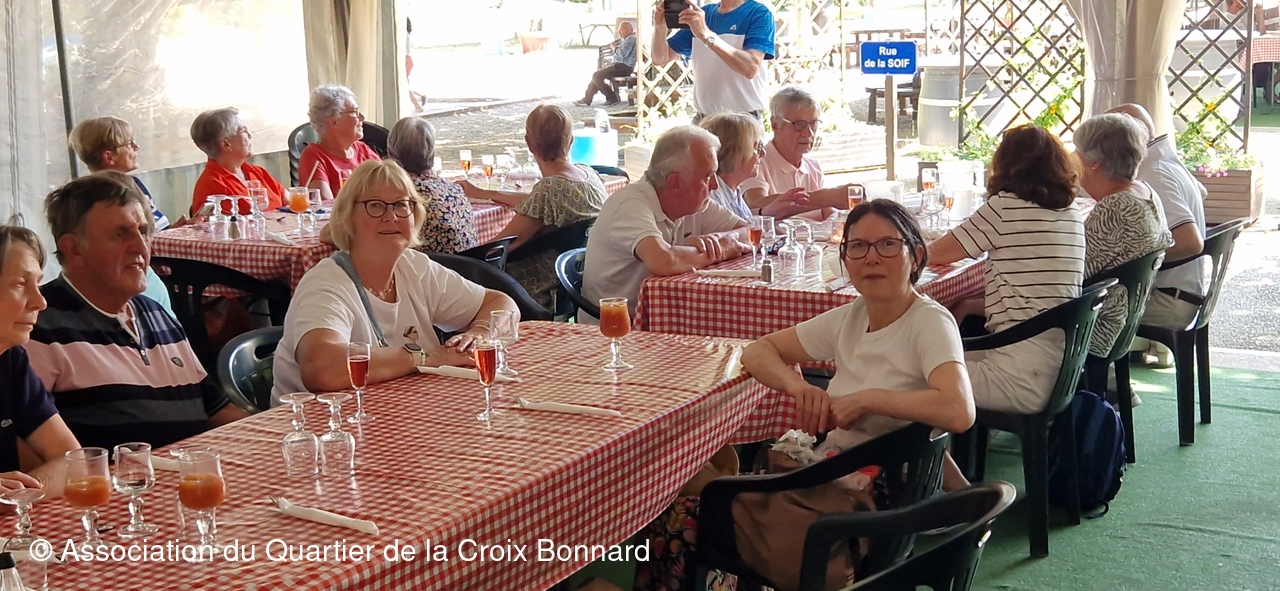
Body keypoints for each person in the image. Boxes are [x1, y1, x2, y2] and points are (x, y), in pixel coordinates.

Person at [738, 200, 974, 587]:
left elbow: (959, 410)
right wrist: (798, 386)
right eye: (858, 247)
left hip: (885, 497)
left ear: (916, 256)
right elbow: (757, 351)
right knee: (720, 502)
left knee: (712, 514)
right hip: (837, 472)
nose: (871, 258)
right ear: (845, 260)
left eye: (888, 245)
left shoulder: (928, 321)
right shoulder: (852, 316)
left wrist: (868, 399)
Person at [25, 172, 248, 451]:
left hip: (196, 468)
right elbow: (27, 447)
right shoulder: (37, 325)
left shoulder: (155, 313)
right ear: (74, 249)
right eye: (121, 234)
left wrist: (271, 436)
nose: (141, 247)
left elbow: (215, 409)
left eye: (143, 231)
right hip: (122, 477)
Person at [271, 160, 519, 405]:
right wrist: (425, 357)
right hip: (318, 423)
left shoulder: (414, 266)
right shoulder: (325, 285)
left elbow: (501, 303)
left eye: (402, 205)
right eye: (375, 206)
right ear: (348, 217)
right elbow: (322, 368)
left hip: (399, 411)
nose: (391, 216)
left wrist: (479, 333)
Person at [928, 125, 1085, 414]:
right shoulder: (1071, 211)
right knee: (938, 356)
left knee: (910, 369)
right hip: (1059, 371)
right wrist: (970, 304)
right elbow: (1036, 295)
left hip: (1016, 379)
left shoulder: (1005, 207)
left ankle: (929, 442)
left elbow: (936, 255)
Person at [580, 125, 751, 320]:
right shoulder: (629, 204)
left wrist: (720, 240)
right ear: (675, 182)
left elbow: (751, 232)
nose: (714, 185)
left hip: (667, 317)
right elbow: (662, 261)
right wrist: (723, 249)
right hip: (615, 328)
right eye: (707, 177)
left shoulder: (693, 202)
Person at [462, 105, 607, 309]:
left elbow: (497, 248)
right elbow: (536, 203)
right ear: (571, 140)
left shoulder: (547, 191)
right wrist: (487, 194)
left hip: (537, 286)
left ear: (529, 144)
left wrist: (456, 260)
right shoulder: (589, 176)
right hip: (578, 279)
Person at [1107, 104, 1208, 349]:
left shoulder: (1154, 172)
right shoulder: (1163, 159)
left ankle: (1105, 374)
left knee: (1084, 311)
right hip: (1184, 293)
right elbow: (1202, 191)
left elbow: (1190, 243)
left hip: (1169, 301)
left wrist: (1136, 260)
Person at [1074, 113, 1172, 358]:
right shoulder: (1145, 191)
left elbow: (1072, 276)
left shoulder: (1116, 207)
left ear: (1094, 162)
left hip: (1094, 327)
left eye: (1077, 151)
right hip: (1123, 320)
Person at [67, 116, 180, 315]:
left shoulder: (128, 186)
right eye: (129, 144)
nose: (136, 147)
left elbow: (159, 230)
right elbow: (154, 238)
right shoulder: (118, 195)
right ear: (109, 156)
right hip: (144, 278)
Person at [0, 227, 80, 500]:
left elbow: (75, 462)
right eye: (20, 284)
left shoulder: (11, 360)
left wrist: (20, 495)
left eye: (38, 284)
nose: (40, 302)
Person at [650, 0, 777, 121]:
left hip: (743, 119)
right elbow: (660, 58)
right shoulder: (703, 14)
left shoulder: (759, 14)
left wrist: (705, 34)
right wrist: (660, 27)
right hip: (703, 117)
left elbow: (750, 68)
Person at [741, 87, 853, 219]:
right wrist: (827, 197)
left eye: (814, 124)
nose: (809, 133)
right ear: (775, 125)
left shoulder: (813, 167)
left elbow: (830, 213)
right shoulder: (757, 162)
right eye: (799, 125)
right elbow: (755, 204)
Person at [386, 117, 480, 254]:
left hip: (429, 267)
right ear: (433, 154)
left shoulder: (401, 195)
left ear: (390, 155)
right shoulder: (455, 189)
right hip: (469, 266)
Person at [699, 111, 812, 220]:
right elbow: (736, 230)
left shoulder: (732, 191)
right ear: (733, 153)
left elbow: (743, 222)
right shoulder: (712, 196)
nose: (763, 153)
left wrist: (767, 211)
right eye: (757, 147)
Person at [189, 107, 286, 216]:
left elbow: (292, 202)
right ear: (226, 144)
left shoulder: (257, 172)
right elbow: (227, 226)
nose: (250, 136)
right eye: (244, 131)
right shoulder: (213, 186)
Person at [298, 84, 382, 202]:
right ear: (334, 121)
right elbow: (326, 205)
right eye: (355, 112)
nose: (362, 117)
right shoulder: (314, 156)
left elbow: (390, 184)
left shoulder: (363, 150)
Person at [577, 21, 638, 107]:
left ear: (628, 30)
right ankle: (587, 100)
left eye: (621, 30)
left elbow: (623, 54)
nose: (619, 32)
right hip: (620, 66)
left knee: (597, 75)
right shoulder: (627, 40)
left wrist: (614, 47)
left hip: (624, 67)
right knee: (597, 76)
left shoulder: (631, 39)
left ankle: (612, 98)